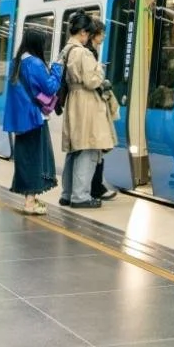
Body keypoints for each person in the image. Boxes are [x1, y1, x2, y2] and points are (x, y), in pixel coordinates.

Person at [4, 24, 62, 214]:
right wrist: (57, 69)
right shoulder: (35, 64)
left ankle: (32, 199)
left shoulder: (16, 62)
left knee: (25, 158)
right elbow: (50, 87)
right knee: (36, 159)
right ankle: (30, 202)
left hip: (21, 120)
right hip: (34, 118)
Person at [60, 13, 115, 208]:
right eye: (88, 34)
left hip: (74, 101)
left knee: (75, 150)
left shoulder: (66, 50)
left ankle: (67, 193)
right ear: (83, 32)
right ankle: (80, 196)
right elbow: (92, 80)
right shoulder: (82, 52)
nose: (88, 38)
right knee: (88, 148)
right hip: (86, 103)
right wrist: (100, 70)